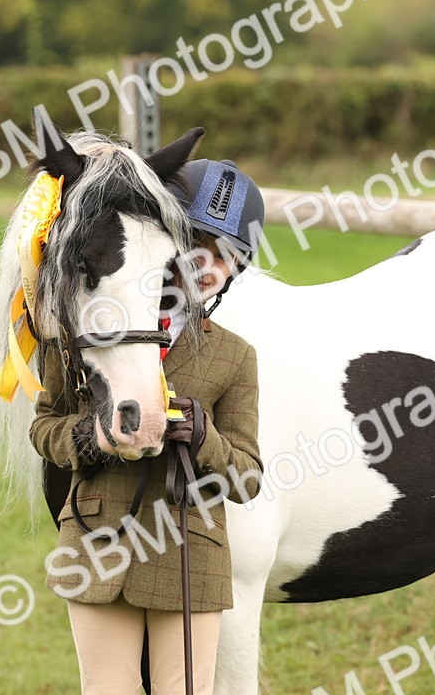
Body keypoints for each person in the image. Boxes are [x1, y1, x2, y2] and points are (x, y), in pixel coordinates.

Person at [30, 159, 266, 695]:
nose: (210, 263)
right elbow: (45, 427)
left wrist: (203, 438)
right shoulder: (87, 323)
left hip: (187, 548)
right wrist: (93, 437)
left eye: (230, 255)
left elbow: (248, 478)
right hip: (95, 538)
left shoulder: (234, 357)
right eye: (198, 244)